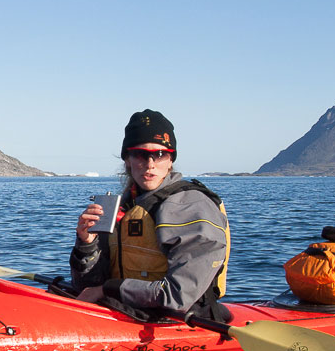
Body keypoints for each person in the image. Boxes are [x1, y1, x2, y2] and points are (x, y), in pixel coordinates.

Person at [70, 109, 230, 321]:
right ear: (127, 159)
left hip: (177, 322)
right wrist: (87, 245)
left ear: (171, 159)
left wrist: (107, 289)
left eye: (160, 154)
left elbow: (178, 296)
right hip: (124, 312)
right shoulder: (123, 207)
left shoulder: (191, 206)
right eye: (140, 154)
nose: (150, 164)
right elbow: (87, 288)